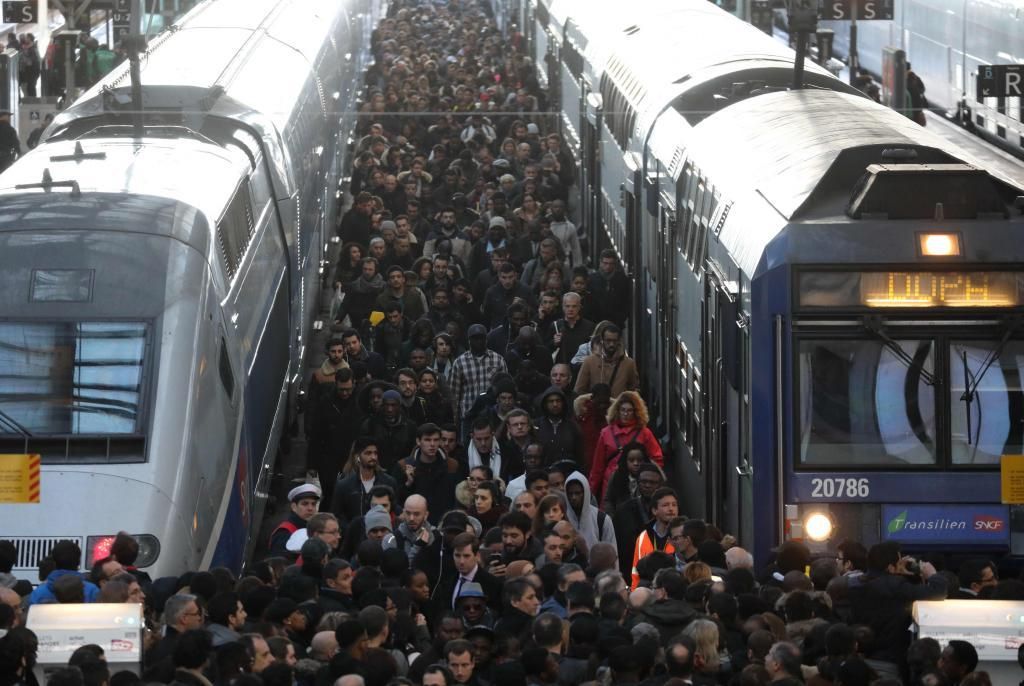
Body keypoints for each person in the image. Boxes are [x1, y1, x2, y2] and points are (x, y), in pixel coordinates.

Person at [590, 391, 663, 501]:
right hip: (611, 484)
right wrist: (591, 492)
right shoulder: (606, 433)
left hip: (638, 484)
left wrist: (649, 479)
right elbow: (597, 467)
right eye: (623, 410)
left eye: (629, 410)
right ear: (617, 411)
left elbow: (657, 460)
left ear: (636, 412)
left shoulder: (645, 433)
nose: (625, 414)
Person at [451, 324, 508, 436]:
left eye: (481, 338)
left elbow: (505, 388)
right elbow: (454, 395)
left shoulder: (498, 360)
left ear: (486, 339)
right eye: (474, 338)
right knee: (467, 449)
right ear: (469, 340)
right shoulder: (460, 362)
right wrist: (455, 419)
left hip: (493, 415)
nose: (478, 341)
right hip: (468, 416)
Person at [631, 487, 679, 589]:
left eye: (674, 505)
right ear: (654, 510)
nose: (671, 509)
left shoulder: (684, 535)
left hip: (674, 593)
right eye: (665, 505)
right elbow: (635, 572)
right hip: (648, 594)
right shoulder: (643, 537)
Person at [574, 324, 639, 398]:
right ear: (602, 340)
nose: (611, 344)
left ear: (619, 341)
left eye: (614, 341)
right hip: (596, 407)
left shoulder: (628, 364)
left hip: (618, 407)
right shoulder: (589, 362)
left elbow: (634, 390)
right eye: (608, 340)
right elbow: (579, 389)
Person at [269, 484, 322, 557]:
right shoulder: (284, 533)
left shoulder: (313, 527)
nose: (310, 508)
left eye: (313, 504)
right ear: (294, 507)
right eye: (305, 504)